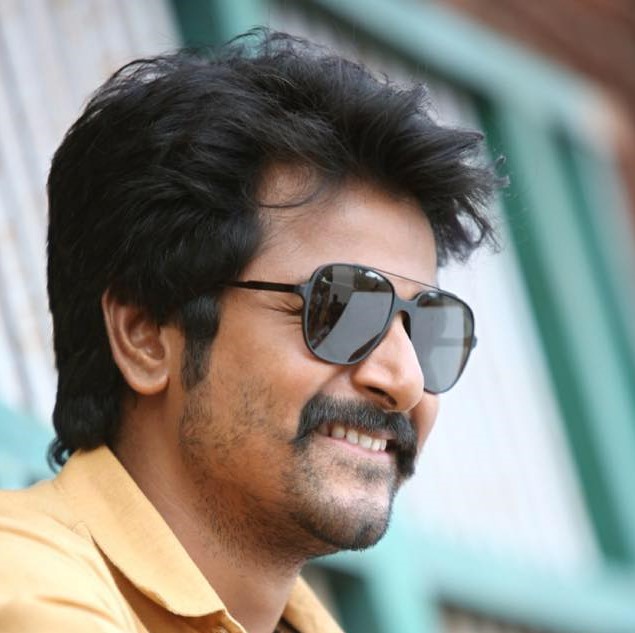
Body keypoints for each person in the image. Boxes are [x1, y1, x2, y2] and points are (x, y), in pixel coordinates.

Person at [0, 29, 501, 633]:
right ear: (145, 334)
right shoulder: (24, 584)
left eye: (428, 326)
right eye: (341, 308)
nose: (405, 380)